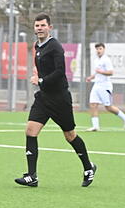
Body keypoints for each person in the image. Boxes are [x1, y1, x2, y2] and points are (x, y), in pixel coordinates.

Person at [15, 13, 96, 188]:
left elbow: (60, 72)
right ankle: (32, 176)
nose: (39, 28)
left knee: (70, 136)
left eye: (43, 25)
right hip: (44, 98)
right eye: (37, 26)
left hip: (60, 99)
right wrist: (39, 76)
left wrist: (41, 80)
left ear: (50, 27)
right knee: (30, 131)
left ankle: (88, 167)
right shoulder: (37, 46)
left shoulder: (55, 47)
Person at [85, 43, 125, 131]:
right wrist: (91, 77)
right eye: (97, 49)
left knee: (108, 107)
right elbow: (97, 72)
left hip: (105, 86)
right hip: (96, 85)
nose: (98, 51)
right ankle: (95, 126)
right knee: (93, 104)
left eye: (100, 49)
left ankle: (124, 117)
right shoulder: (96, 60)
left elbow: (111, 72)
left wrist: (100, 72)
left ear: (104, 49)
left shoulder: (106, 60)